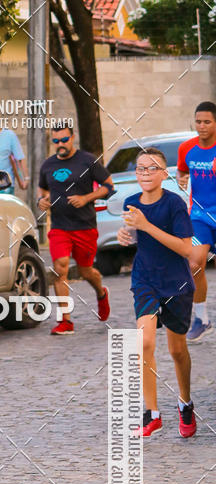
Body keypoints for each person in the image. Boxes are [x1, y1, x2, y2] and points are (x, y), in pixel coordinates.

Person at [117, 147, 197, 438]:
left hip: (176, 282)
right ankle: (152, 413)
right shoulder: (130, 203)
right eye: (141, 168)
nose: (146, 173)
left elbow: (186, 249)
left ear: (165, 174)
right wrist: (125, 235)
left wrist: (145, 226)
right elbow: (133, 234)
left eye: (153, 168)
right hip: (145, 280)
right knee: (145, 342)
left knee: (177, 351)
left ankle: (185, 403)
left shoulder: (174, 204)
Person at [38, 122, 115, 335]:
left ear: (73, 138)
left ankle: (101, 293)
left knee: (86, 271)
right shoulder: (47, 165)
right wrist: (41, 201)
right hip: (60, 227)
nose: (60, 144)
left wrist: (86, 198)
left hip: (85, 226)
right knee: (60, 267)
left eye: (64, 140)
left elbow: (109, 186)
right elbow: (42, 191)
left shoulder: (88, 161)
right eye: (56, 141)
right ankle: (65, 321)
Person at [176, 100, 216, 342]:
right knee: (194, 265)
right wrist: (182, 179)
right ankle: (201, 319)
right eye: (198, 121)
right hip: (199, 215)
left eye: (207, 122)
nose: (201, 126)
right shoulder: (186, 148)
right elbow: (182, 170)